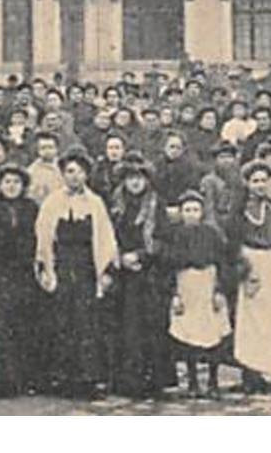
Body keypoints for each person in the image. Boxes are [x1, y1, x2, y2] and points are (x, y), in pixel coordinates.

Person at [34, 151, 116, 398]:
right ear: (63, 174)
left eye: (79, 171)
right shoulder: (52, 202)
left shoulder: (95, 203)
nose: (74, 176)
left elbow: (105, 238)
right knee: (62, 321)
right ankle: (62, 379)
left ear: (86, 174)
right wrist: (45, 268)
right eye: (69, 171)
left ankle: (87, 379)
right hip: (61, 263)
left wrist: (105, 270)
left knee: (86, 322)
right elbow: (43, 236)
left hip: (85, 267)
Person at [105, 155, 170, 398]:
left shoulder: (156, 204)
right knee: (126, 328)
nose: (135, 183)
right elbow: (106, 236)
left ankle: (153, 382)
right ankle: (127, 382)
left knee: (150, 327)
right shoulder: (115, 206)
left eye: (139, 178)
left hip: (149, 274)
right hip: (123, 275)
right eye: (130, 178)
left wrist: (141, 256)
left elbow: (163, 238)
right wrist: (120, 258)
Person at [0, 162, 40, 397]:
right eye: (7, 182)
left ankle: (26, 379)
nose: (11, 186)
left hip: (24, 274)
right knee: (2, 325)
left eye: (16, 182)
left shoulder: (31, 208)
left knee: (25, 324)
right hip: (0, 273)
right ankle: (3, 381)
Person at [227, 159, 271, 389]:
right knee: (251, 318)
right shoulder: (240, 210)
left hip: (270, 260)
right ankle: (250, 370)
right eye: (255, 181)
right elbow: (233, 243)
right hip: (250, 259)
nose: (260, 185)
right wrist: (246, 269)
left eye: (264, 180)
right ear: (247, 183)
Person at [166, 190, 230, 398]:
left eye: (195, 210)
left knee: (213, 333)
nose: (191, 214)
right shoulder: (174, 234)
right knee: (188, 334)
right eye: (187, 210)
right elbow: (168, 267)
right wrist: (174, 294)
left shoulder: (211, 233)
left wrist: (219, 290)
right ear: (181, 212)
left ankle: (213, 381)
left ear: (202, 212)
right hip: (186, 283)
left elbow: (222, 262)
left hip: (208, 283)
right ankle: (193, 381)